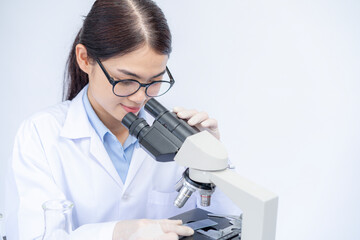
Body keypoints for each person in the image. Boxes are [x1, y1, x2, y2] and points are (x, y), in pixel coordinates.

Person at [5, 0, 239, 239]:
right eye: (126, 80)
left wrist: (214, 164)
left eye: (155, 81)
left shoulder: (180, 134)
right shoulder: (41, 134)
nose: (140, 98)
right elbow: (37, 235)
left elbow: (227, 220)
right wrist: (117, 232)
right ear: (85, 59)